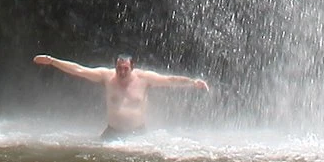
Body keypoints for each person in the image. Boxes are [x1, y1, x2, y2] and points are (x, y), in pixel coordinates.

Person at [32, 53, 210, 139]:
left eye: (125, 68)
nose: (122, 72)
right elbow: (79, 70)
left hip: (138, 135)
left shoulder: (144, 78)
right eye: (119, 68)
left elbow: (169, 80)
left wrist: (192, 82)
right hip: (112, 134)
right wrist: (53, 61)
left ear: (132, 67)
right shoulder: (106, 76)